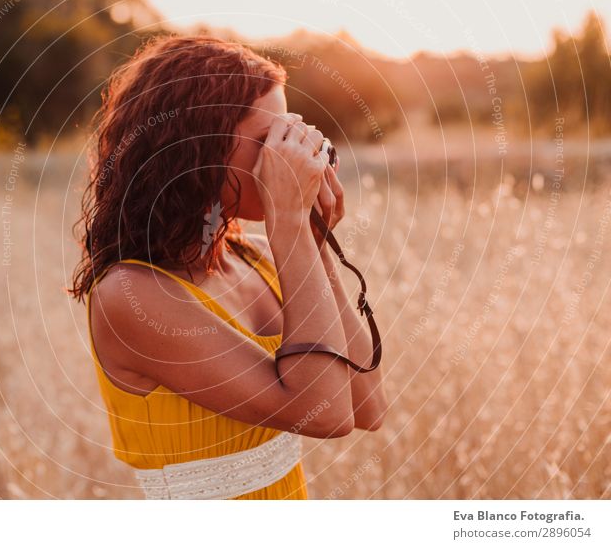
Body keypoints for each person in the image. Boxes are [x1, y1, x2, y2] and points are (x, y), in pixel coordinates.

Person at [70, 35, 388, 499]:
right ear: (197, 151)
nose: (290, 155)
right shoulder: (131, 296)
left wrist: (314, 238)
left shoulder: (255, 257)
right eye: (266, 140)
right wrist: (291, 226)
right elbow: (325, 414)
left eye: (290, 133)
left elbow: (367, 406)